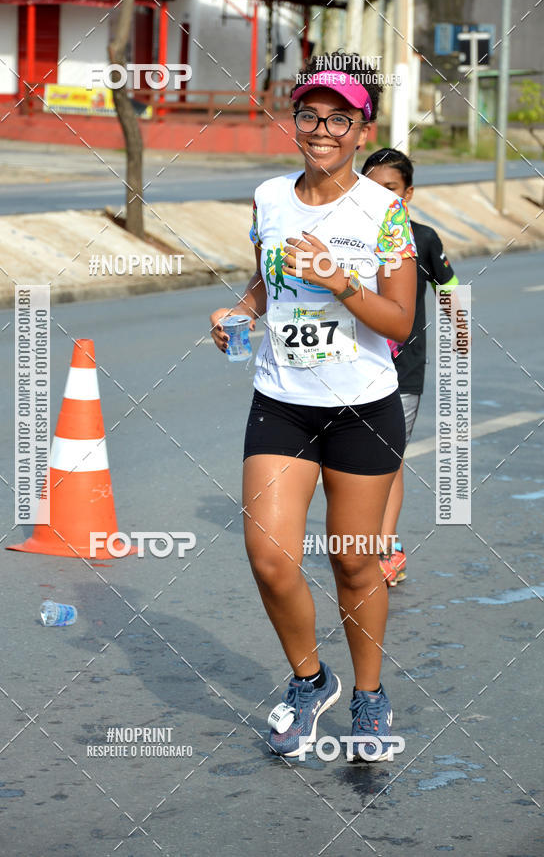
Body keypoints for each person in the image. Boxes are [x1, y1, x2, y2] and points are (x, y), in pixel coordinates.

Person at [210, 52, 417, 761]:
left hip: (363, 407)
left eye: (340, 117)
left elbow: (399, 321)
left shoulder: (385, 211)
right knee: (268, 558)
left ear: (364, 128)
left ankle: (368, 695)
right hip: (282, 402)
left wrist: (338, 282)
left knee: (354, 563)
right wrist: (239, 310)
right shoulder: (270, 197)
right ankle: (310, 680)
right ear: (294, 120)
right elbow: (265, 279)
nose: (322, 128)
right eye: (310, 114)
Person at [361, 149, 460, 587]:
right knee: (349, 460)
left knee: (389, 460)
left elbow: (451, 291)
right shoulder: (343, 237)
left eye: (392, 190)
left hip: (403, 371)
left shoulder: (422, 239)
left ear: (409, 194)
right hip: (349, 366)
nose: (382, 198)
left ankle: (386, 547)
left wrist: (459, 334)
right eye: (372, 188)